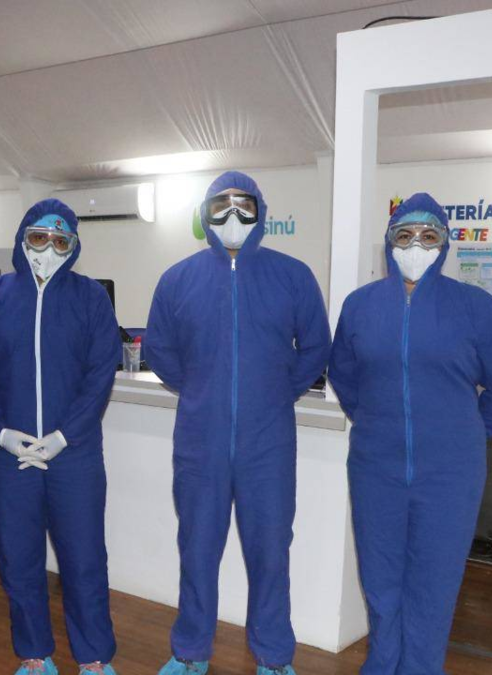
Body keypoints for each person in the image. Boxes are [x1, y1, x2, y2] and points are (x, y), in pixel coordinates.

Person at [143, 171, 330, 675]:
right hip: (199, 441)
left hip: (268, 444)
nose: (231, 215)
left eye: (242, 205)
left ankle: (273, 658)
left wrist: (278, 391)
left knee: (270, 553)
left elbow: (316, 346)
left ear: (260, 211)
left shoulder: (292, 276)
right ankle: (189, 653)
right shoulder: (177, 279)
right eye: (220, 205)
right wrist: (200, 389)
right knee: (197, 550)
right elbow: (158, 348)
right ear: (205, 214)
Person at [328, 193, 492, 675]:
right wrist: (374, 422)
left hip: (450, 474)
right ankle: (382, 664)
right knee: (380, 578)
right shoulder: (360, 306)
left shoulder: (474, 307)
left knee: (434, 583)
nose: (416, 245)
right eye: (405, 235)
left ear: (444, 244)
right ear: (389, 242)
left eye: (429, 235)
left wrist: (467, 434)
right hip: (376, 468)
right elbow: (344, 375)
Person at [0, 199, 122, 675]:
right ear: (21, 238)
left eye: (60, 241)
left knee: (84, 559)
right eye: (38, 238)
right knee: (19, 560)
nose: (47, 250)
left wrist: (64, 436)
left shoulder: (91, 299)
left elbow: (100, 375)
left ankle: (94, 658)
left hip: (75, 455)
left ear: (73, 247)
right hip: (9, 458)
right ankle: (33, 654)